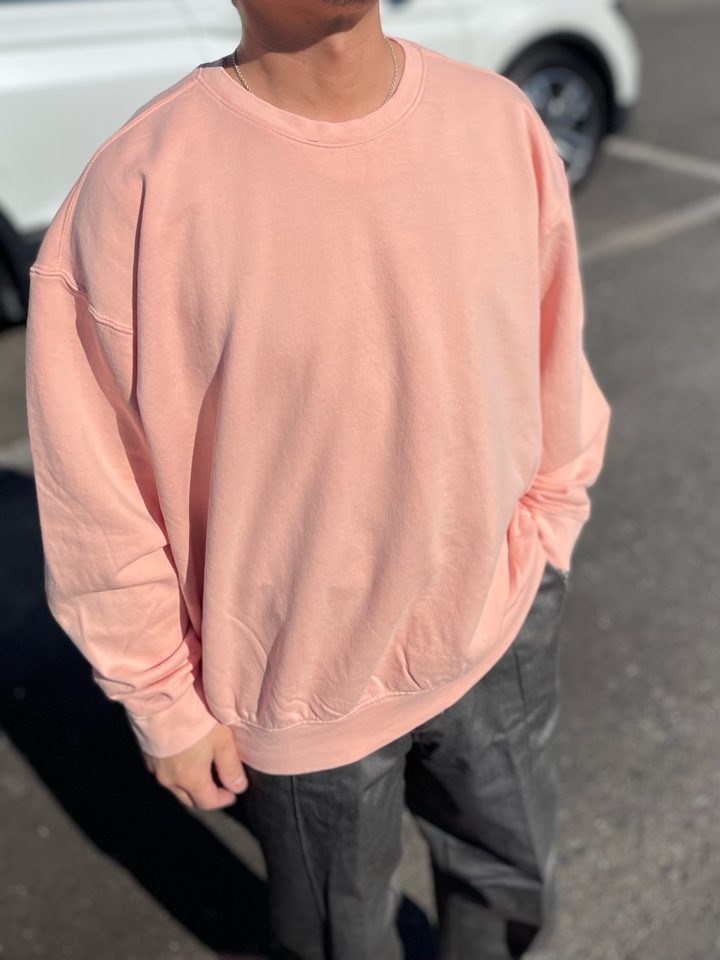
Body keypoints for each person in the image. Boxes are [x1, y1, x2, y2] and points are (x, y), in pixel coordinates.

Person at [24, 1, 612, 958]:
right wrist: (163, 699)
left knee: (508, 887)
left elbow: (554, 343)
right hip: (294, 683)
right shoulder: (135, 193)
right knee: (342, 937)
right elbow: (97, 490)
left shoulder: (495, 120)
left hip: (498, 620)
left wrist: (550, 525)